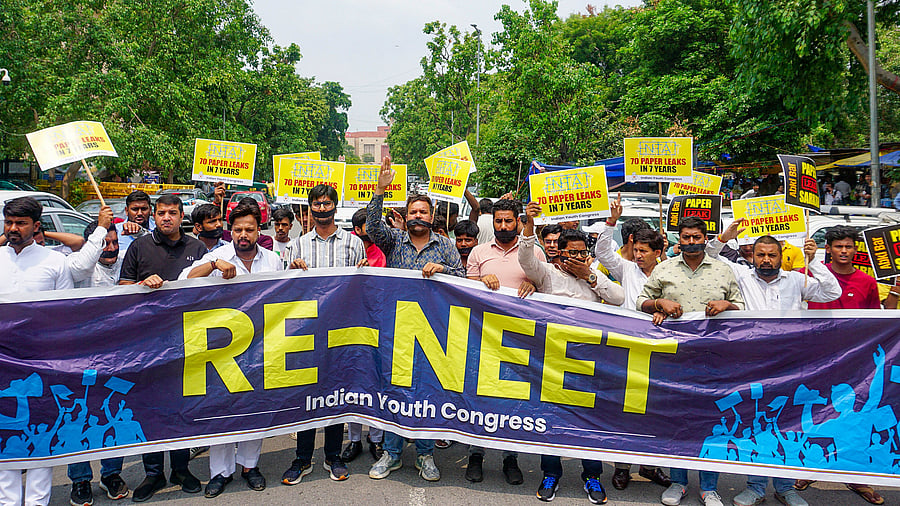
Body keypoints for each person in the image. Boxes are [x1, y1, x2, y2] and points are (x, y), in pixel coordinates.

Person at [706, 222, 840, 506]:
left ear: (781, 257)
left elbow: (832, 293)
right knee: (756, 424)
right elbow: (711, 256)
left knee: (788, 425)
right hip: (751, 364)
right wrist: (724, 238)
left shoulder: (796, 281)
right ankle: (755, 487)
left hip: (790, 365)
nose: (766, 260)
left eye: (772, 255)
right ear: (752, 256)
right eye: (761, 255)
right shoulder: (741, 276)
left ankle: (786, 486)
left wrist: (812, 261)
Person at [366, 157, 465, 483]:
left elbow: (464, 279)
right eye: (413, 213)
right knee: (395, 391)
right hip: (397, 329)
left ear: (432, 216)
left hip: (435, 332)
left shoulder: (446, 247)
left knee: (427, 393)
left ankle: (424, 453)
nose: (418, 217)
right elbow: (372, 227)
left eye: (423, 212)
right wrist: (380, 190)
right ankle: (392, 453)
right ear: (405, 217)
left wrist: (444, 270)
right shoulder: (394, 241)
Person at [519, 200, 624, 504]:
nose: (577, 258)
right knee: (551, 418)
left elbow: (618, 297)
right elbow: (526, 258)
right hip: (551, 360)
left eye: (582, 253)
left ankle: (592, 477)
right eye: (571, 253)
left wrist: (590, 276)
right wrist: (529, 223)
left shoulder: (594, 277)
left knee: (588, 422)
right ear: (559, 254)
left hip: (589, 360)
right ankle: (550, 473)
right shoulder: (547, 275)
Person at [636, 216, 744, 506]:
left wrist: (727, 305)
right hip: (675, 360)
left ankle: (709, 488)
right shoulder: (664, 269)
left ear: (705, 239)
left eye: (697, 237)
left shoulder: (724, 270)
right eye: (686, 237)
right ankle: (679, 482)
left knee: (713, 424)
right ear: (678, 239)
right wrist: (659, 304)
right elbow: (640, 302)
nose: (692, 242)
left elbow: (743, 309)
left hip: (714, 359)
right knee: (678, 422)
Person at [182, 198, 281, 497]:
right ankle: (220, 473)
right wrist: (212, 265)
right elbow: (183, 281)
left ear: (258, 229)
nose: (243, 235)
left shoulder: (273, 259)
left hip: (262, 347)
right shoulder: (217, 255)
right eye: (237, 229)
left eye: (249, 229)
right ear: (230, 230)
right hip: (223, 350)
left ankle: (250, 466)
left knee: (255, 407)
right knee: (222, 410)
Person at [118, 194, 206, 502]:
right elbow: (122, 288)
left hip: (187, 342)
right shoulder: (139, 247)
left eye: (172, 212)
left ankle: (181, 469)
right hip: (148, 343)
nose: (166, 217)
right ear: (154, 216)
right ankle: (153, 472)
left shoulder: (198, 248)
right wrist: (143, 284)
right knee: (150, 407)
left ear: (182, 215)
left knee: (182, 406)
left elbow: (209, 292)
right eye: (161, 213)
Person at [281, 185, 366, 486]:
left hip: (341, 333)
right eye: (316, 204)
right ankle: (302, 458)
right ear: (310, 207)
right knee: (306, 396)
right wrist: (291, 270)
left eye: (326, 203)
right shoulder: (296, 246)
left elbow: (361, 285)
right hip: (305, 334)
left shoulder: (354, 244)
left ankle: (333, 455)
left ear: (335, 205)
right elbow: (280, 292)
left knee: (336, 394)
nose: (321, 208)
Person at [592, 195, 671, 491]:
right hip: (628, 348)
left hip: (662, 349)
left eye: (643, 251)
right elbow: (602, 252)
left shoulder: (671, 271)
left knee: (655, 410)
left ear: (657, 251)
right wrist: (611, 221)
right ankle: (622, 467)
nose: (637, 255)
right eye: (635, 250)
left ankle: (650, 465)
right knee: (625, 409)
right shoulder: (626, 270)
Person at [0, 197, 73, 506]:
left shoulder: (54, 261)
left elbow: (66, 313)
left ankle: (37, 502)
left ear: (36, 226)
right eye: (8, 223)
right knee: (5, 432)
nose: (13, 229)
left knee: (40, 429)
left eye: (21, 223)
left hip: (40, 360)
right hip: (2, 361)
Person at [463, 198, 541, 486]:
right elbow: (463, 293)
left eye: (509, 221)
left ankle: (511, 458)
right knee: (478, 396)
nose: (503, 226)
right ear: (492, 222)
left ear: (518, 222)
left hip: (520, 339)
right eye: (499, 221)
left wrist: (533, 285)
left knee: (514, 400)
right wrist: (481, 281)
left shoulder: (534, 252)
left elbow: (545, 287)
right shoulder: (478, 252)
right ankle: (475, 454)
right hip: (482, 337)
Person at [341, 208, 386, 463]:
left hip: (376, 325)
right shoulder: (349, 248)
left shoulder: (380, 252)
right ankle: (355, 439)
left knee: (375, 384)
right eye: (369, 226)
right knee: (352, 384)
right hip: (349, 326)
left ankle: (376, 440)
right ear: (357, 229)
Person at [116, 190, 154, 254]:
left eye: (144, 209)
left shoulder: (159, 230)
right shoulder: (115, 231)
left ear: (150, 210)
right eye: (135, 209)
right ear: (127, 211)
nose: (139, 213)